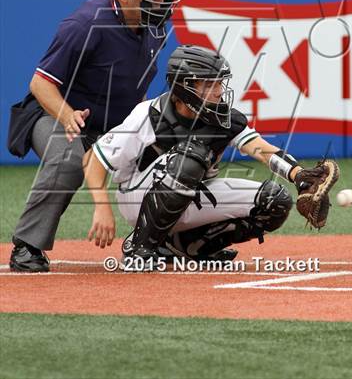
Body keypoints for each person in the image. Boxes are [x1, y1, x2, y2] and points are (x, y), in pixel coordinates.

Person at [84, 44, 339, 269]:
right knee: (189, 159)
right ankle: (140, 247)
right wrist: (102, 207)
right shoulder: (148, 114)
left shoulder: (223, 117)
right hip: (137, 199)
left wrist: (299, 176)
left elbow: (259, 148)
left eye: (219, 82)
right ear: (184, 87)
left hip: (191, 191)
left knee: (274, 201)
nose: (218, 91)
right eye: (209, 84)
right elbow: (96, 159)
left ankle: (184, 247)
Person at [9, 0, 182, 272]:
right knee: (69, 155)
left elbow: (137, 87)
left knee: (176, 151)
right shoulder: (86, 23)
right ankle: (27, 246)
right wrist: (67, 115)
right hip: (55, 114)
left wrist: (145, 130)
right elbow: (40, 83)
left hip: (113, 121)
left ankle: (167, 240)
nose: (159, 2)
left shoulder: (155, 28)